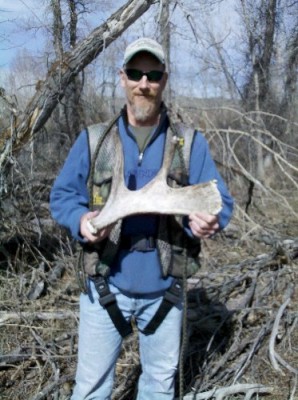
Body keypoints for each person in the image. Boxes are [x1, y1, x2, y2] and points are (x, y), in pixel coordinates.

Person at [50, 37, 234, 400]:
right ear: (122, 78)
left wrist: (208, 221)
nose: (143, 83)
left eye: (153, 75)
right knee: (90, 390)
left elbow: (220, 202)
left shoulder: (188, 143)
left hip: (166, 291)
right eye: (135, 73)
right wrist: (81, 219)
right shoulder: (95, 140)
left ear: (164, 80)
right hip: (105, 288)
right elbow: (62, 197)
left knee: (158, 389)